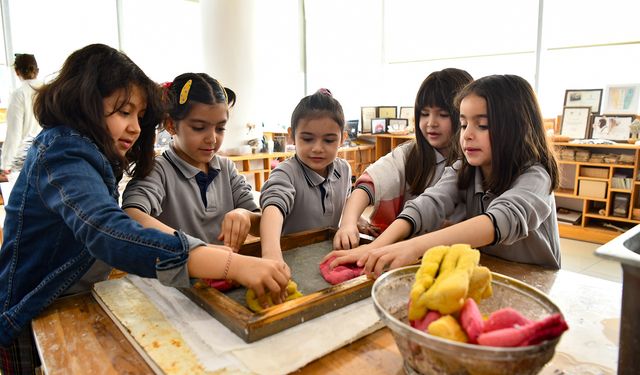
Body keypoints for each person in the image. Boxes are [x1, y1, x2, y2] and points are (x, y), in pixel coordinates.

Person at [0, 44, 289, 373]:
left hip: (73, 303)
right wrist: (227, 263)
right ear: (85, 101)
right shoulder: (64, 151)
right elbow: (111, 231)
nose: (136, 127)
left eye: (139, 116)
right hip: (29, 310)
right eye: (124, 112)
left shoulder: (94, 155)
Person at [327, 74, 561, 276]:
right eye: (464, 124)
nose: (467, 135)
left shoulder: (536, 175)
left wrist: (414, 246)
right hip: (489, 270)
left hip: (535, 279)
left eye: (482, 125)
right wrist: (377, 247)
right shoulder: (466, 168)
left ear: (516, 128)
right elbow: (428, 203)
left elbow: (498, 221)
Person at [333, 68, 473, 249]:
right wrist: (348, 223)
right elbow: (370, 184)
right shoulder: (409, 155)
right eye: (424, 114)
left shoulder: (473, 161)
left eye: (443, 115)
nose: (431, 123)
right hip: (404, 250)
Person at [122, 73, 262, 252]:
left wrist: (246, 215)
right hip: (172, 278)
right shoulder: (157, 171)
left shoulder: (227, 169)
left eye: (220, 128)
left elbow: (260, 223)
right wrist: (198, 250)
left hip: (224, 274)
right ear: (171, 125)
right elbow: (131, 216)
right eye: (199, 128)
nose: (212, 139)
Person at [259, 89, 351, 267]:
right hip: (288, 262)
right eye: (308, 139)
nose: (317, 148)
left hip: (329, 257)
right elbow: (273, 208)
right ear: (292, 135)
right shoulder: (286, 173)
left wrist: (356, 222)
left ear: (342, 139)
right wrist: (271, 255)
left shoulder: (344, 169)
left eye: (329, 140)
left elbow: (345, 201)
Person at [1, 53, 42, 177]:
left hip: (23, 159)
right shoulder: (48, 91)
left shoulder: (19, 94)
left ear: (16, 71)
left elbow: (14, 133)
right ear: (37, 70)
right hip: (46, 153)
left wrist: (5, 165)